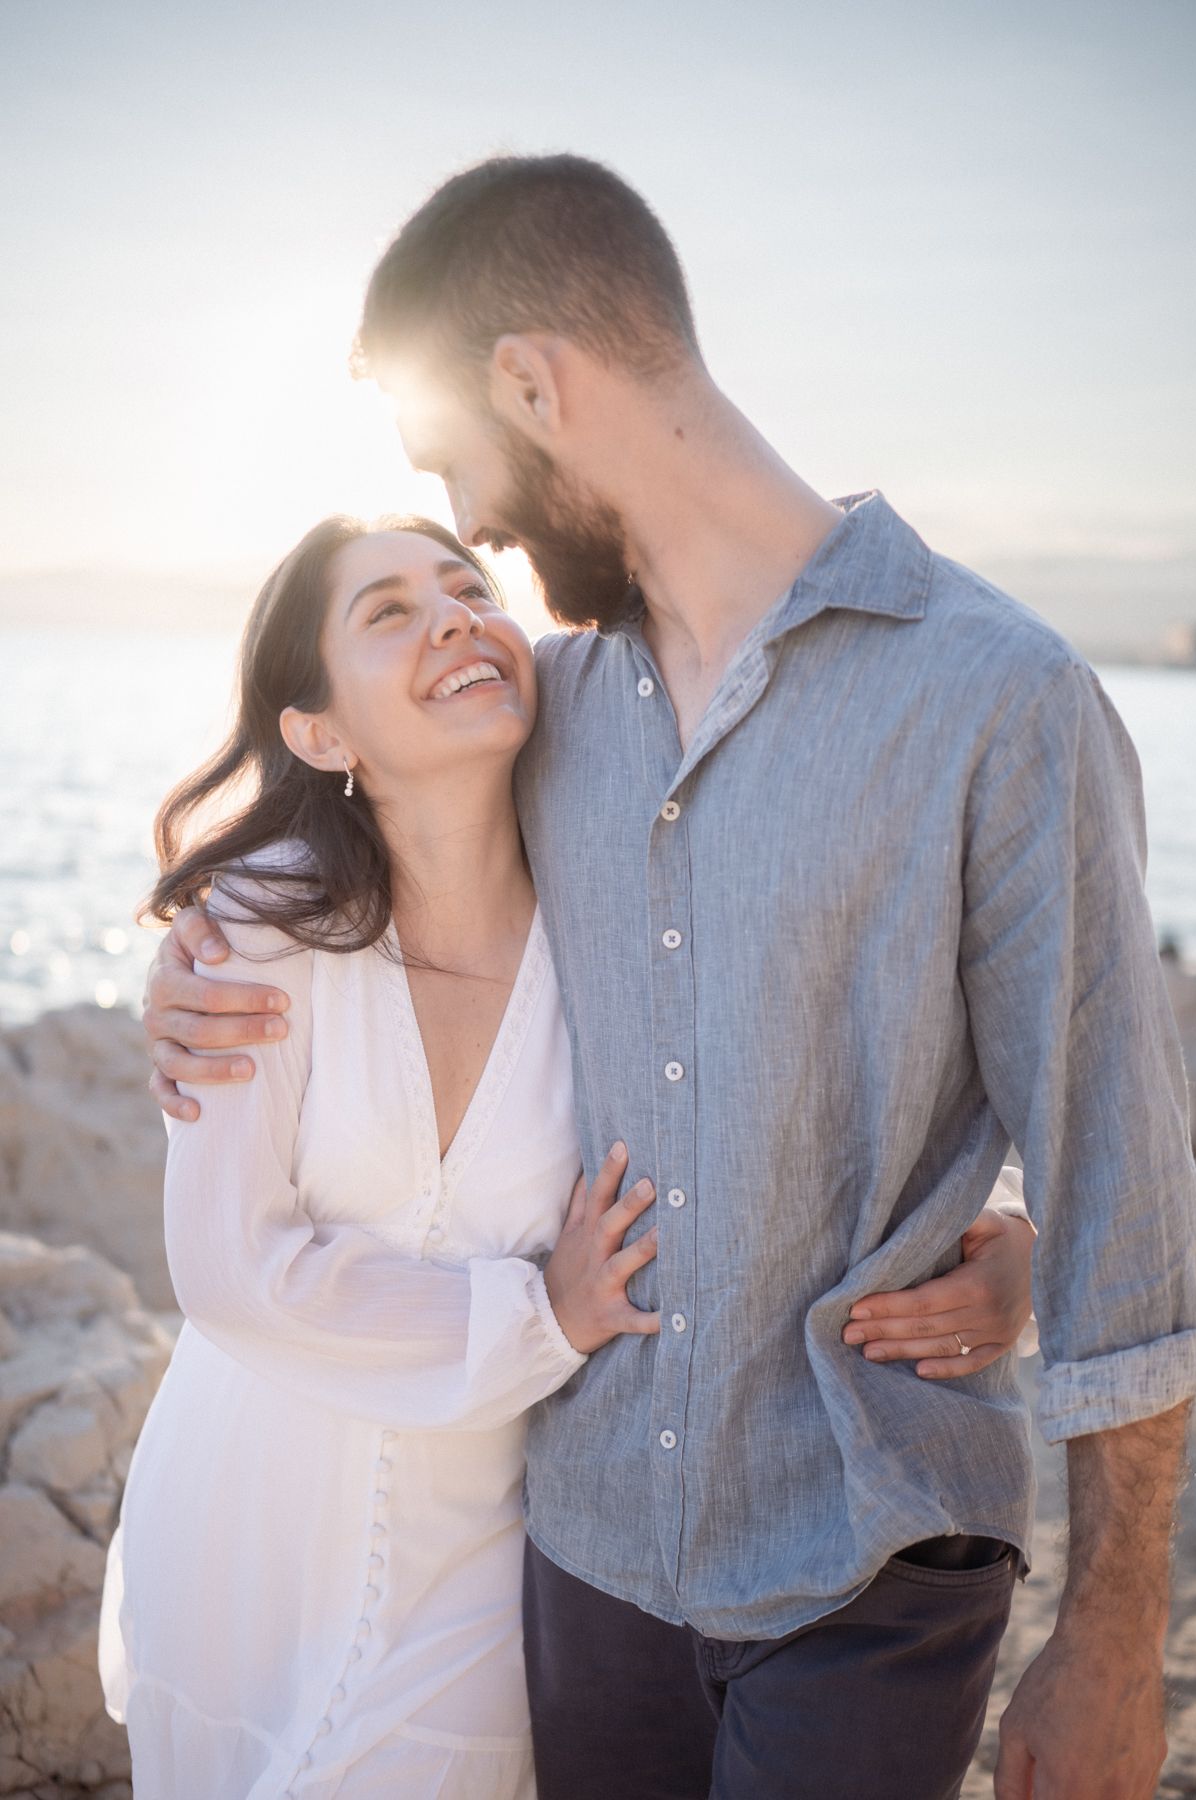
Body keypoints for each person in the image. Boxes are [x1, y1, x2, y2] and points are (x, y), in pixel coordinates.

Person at [144, 157, 1196, 1800]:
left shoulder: (1004, 703)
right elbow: (363, 846)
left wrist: (1117, 1631)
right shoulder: (538, 703)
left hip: (869, 1554)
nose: (470, 523)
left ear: (529, 384)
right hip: (583, 1562)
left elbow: (1125, 1193)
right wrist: (193, 967)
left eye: (452, 468)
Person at [105, 514, 1035, 1800]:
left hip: (487, 1547)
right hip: (251, 1521)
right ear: (320, 733)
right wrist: (537, 1313)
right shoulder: (257, 939)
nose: (450, 616)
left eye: (466, 586)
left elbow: (809, 1058)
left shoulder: (615, 908)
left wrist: (1003, 1224)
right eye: (386, 611)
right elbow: (226, 1271)